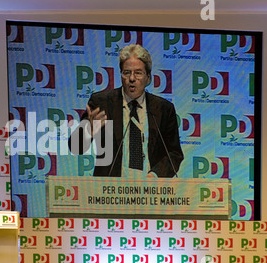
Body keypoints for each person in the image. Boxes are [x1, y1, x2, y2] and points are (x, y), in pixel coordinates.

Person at [69, 44, 183, 178]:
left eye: (138, 73)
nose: (132, 78)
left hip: (150, 190)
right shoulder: (102, 103)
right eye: (127, 72)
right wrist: (88, 131)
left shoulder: (163, 109)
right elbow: (76, 148)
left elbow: (174, 154)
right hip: (110, 191)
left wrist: (155, 175)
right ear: (121, 75)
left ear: (148, 77)